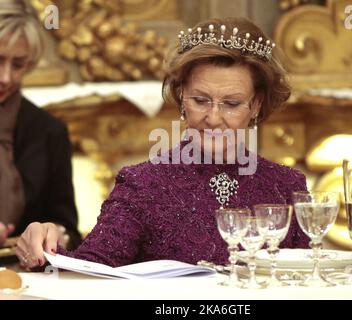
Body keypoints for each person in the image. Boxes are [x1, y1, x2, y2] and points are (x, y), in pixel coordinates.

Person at [17, 17, 309, 269]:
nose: (213, 117)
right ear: (182, 97)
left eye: (232, 103)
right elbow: (89, 270)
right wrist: (44, 248)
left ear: (256, 105)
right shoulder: (142, 185)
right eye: (200, 100)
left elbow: (310, 281)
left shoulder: (287, 186)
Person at [0, 1, 81, 251]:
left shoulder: (49, 131)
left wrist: (53, 235)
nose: (5, 77)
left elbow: (68, 226)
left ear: (31, 64)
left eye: (18, 64)